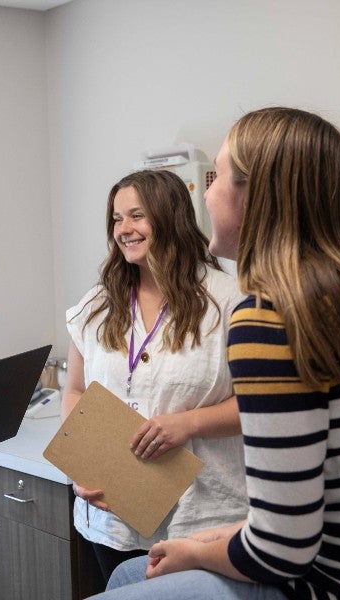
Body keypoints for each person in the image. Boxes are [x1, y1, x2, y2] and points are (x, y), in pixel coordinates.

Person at [91, 107, 340, 599]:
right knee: (128, 576)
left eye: (217, 176)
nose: (207, 192)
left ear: (255, 197)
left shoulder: (271, 317)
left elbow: (279, 551)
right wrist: (222, 538)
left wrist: (198, 551)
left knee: (134, 577)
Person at [62, 168, 249, 584]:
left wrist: (189, 423)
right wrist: (82, 464)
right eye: (116, 219)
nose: (123, 229)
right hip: (113, 513)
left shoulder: (229, 302)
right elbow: (75, 391)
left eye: (137, 216)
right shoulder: (97, 304)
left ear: (170, 218)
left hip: (204, 514)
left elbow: (263, 405)